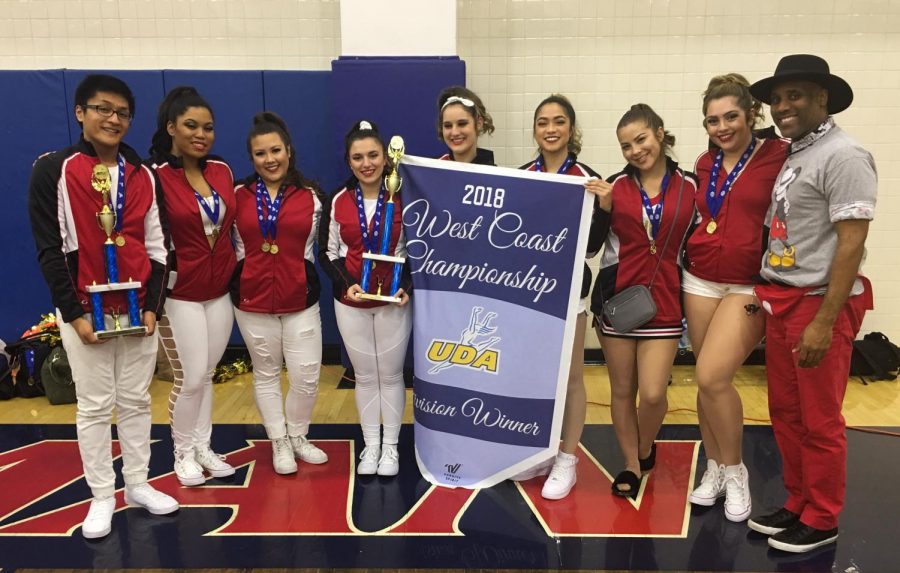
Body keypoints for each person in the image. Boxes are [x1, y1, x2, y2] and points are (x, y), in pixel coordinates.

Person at [27, 74, 178, 539]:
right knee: (94, 405)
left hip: (136, 307)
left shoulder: (143, 174)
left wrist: (153, 306)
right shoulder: (53, 169)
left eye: (122, 113)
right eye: (102, 109)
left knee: (135, 399)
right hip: (84, 308)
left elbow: (159, 245)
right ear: (80, 112)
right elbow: (50, 248)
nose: (112, 119)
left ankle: (137, 484)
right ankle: (100, 496)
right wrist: (73, 313)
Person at [746, 54, 876, 553]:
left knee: (820, 420)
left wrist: (824, 321)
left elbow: (851, 243)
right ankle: (798, 501)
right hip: (783, 300)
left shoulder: (844, 155)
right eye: (777, 99)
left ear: (823, 98)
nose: (782, 107)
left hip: (818, 304)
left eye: (795, 95)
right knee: (786, 412)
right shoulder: (796, 152)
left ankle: (823, 517)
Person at [683, 75, 788, 521]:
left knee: (711, 376)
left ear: (750, 113)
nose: (722, 126)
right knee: (707, 387)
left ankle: (736, 469)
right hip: (699, 279)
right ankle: (715, 469)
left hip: (747, 282)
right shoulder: (704, 163)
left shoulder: (779, 155)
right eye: (712, 120)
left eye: (730, 116)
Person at [589, 104, 697, 498]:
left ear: (659, 133)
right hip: (618, 301)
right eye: (626, 146)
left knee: (652, 392)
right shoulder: (614, 186)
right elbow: (590, 245)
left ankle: (646, 445)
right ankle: (632, 465)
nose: (635, 150)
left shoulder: (690, 186)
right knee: (621, 391)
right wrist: (601, 212)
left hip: (665, 301)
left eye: (641, 139)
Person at [513, 94, 610, 500]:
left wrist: (604, 206)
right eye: (542, 122)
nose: (550, 129)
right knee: (536, 376)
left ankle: (568, 458)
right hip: (529, 291)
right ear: (535, 130)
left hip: (570, 294)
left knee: (570, 379)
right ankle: (544, 449)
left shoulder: (589, 178)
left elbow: (591, 249)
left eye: (558, 121)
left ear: (571, 128)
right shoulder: (521, 176)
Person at [232, 112, 329, 475]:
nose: (269, 159)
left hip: (299, 299)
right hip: (252, 301)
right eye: (260, 153)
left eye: (275, 150)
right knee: (267, 373)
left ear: (288, 151)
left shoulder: (313, 197)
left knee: (306, 374)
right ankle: (279, 441)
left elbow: (329, 247)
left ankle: (299, 435)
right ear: (252, 157)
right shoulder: (237, 195)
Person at [148, 86, 237, 486]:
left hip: (218, 293)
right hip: (179, 295)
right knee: (190, 376)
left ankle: (203, 445)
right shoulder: (154, 176)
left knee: (208, 372)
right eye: (190, 126)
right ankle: (181, 452)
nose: (201, 134)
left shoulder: (221, 170)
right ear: (171, 128)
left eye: (208, 127)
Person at [319, 120, 412, 477]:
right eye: (358, 157)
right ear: (349, 161)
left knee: (390, 376)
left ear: (387, 157)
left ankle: (390, 449)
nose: (366, 163)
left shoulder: (405, 196)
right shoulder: (338, 200)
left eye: (373, 154)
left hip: (393, 302)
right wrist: (347, 285)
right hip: (352, 302)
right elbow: (327, 253)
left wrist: (406, 284)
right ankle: (370, 446)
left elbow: (417, 249)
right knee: (364, 375)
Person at [436, 86, 496, 165]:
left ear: (479, 123)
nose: (455, 132)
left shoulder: (494, 175)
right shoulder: (430, 172)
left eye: (462, 124)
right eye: (448, 126)